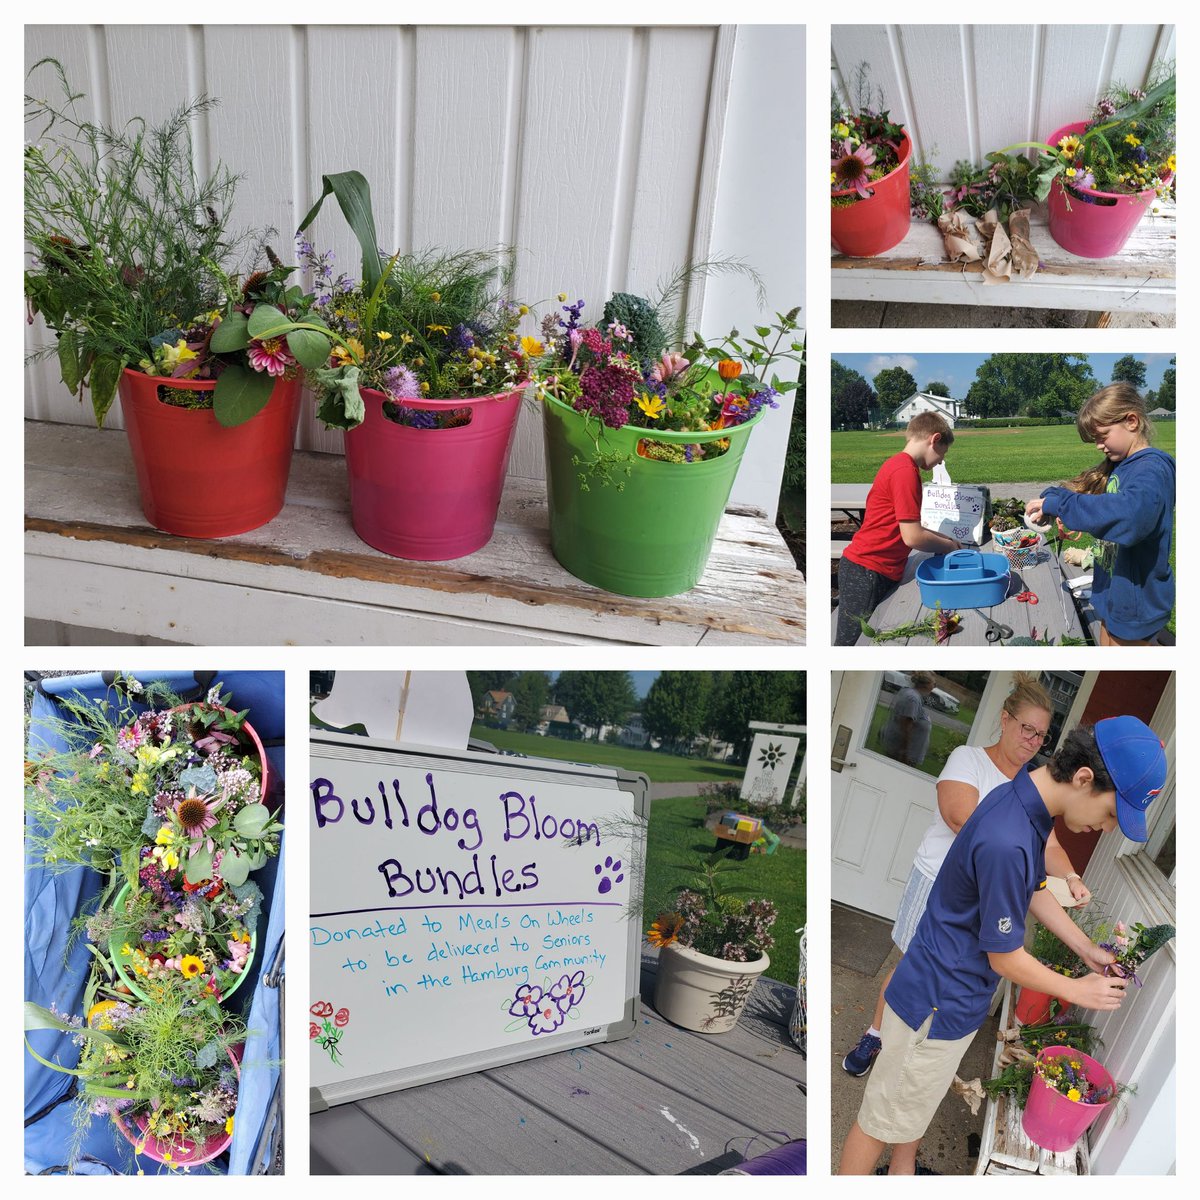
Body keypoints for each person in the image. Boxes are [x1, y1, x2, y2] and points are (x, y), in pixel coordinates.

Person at [838, 715, 1167, 1176]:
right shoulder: (1008, 839)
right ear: (1084, 778)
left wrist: (1084, 948)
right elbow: (1004, 956)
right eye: (1112, 813)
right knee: (877, 1124)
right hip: (935, 1006)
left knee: (908, 1113)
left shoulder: (1023, 804)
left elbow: (1030, 889)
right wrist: (1077, 990)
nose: (1109, 828)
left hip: (947, 1001)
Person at [843, 675, 1091, 1077]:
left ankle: (914, 1052)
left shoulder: (1033, 786)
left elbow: (1049, 847)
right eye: (1026, 728)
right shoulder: (968, 758)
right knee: (911, 965)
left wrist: (1072, 876)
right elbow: (962, 818)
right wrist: (1015, 859)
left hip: (987, 895)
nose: (1032, 741)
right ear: (1005, 719)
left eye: (1041, 736)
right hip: (938, 879)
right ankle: (875, 1035)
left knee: (954, 976)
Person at [1024, 384, 1175, 646]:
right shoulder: (1123, 465)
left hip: (1136, 603)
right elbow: (1089, 498)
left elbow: (1129, 518)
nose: (1098, 446)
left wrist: (1060, 506)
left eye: (1102, 435)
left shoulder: (1151, 470)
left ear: (1131, 421)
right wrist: (1051, 500)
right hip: (1115, 593)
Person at [835, 412, 963, 646]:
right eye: (942, 454)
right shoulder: (905, 472)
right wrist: (948, 546)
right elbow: (912, 537)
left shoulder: (900, 465)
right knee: (850, 645)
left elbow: (908, 525)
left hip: (874, 570)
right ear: (934, 439)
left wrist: (941, 537)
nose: (941, 461)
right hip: (867, 570)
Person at [879, 673, 935, 767]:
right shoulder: (912, 699)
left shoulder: (913, 695)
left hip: (904, 754)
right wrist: (904, 754)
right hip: (903, 756)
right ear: (926, 684)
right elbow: (905, 728)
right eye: (934, 684)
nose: (934, 687)